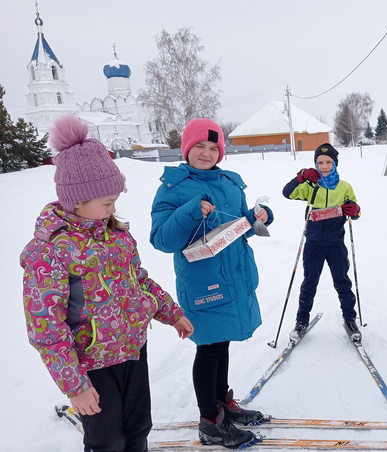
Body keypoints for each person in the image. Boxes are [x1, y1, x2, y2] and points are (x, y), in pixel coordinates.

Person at [20, 116, 194, 452]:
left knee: (139, 427)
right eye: (107, 202)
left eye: (115, 199)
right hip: (91, 364)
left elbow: (139, 282)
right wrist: (75, 386)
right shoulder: (50, 250)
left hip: (131, 350)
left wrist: (171, 313)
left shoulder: (116, 235)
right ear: (77, 200)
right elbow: (45, 328)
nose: (115, 207)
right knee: (107, 441)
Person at [150, 118, 273, 449]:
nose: (206, 153)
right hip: (203, 284)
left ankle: (222, 404)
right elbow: (161, 238)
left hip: (234, 277)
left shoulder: (230, 183)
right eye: (199, 147)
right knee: (208, 348)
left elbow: (236, 224)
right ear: (186, 149)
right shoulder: (173, 188)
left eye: (213, 147)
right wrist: (192, 211)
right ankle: (209, 423)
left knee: (222, 343)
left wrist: (259, 216)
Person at [282, 143, 362, 343]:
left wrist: (354, 210)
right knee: (309, 283)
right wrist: (300, 176)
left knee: (342, 282)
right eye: (320, 162)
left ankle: (350, 319)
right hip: (314, 244)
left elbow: (356, 210)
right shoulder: (310, 185)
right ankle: (301, 321)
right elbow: (287, 193)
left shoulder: (344, 186)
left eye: (328, 162)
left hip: (336, 244)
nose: (324, 166)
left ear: (335, 163)